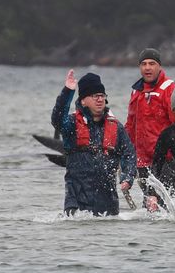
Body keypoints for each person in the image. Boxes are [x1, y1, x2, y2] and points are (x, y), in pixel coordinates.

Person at [51, 69, 137, 216]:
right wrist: (67, 91)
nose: (99, 99)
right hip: (76, 203)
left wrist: (127, 178)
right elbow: (57, 120)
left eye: (102, 96)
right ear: (83, 101)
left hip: (108, 204)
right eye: (94, 96)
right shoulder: (71, 124)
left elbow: (129, 154)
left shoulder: (116, 127)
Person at [125, 48, 175, 202]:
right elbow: (130, 125)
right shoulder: (136, 91)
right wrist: (126, 155)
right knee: (149, 205)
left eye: (152, 63)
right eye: (144, 64)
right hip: (142, 160)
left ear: (159, 66)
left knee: (160, 203)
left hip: (165, 160)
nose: (147, 67)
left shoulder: (169, 88)